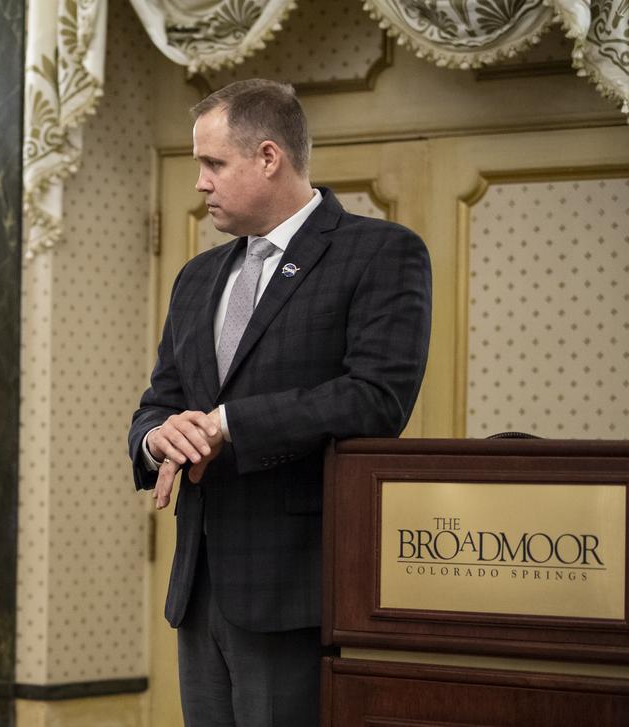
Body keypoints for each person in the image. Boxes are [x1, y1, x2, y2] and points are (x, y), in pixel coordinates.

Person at [128, 79, 432, 726]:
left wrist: (230, 424)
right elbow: (160, 402)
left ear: (269, 156)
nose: (200, 183)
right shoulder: (196, 278)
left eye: (213, 163)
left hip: (297, 589)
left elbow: (376, 397)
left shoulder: (379, 253)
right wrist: (157, 438)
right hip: (198, 590)